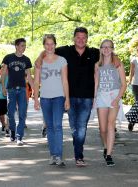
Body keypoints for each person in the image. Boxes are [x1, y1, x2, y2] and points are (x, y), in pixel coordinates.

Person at [35, 27, 120, 167]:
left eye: (83, 37)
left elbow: (107, 52)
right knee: (75, 128)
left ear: (87, 39)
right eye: (78, 37)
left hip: (87, 97)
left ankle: (79, 156)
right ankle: (76, 153)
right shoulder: (65, 51)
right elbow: (49, 49)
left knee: (81, 128)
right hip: (71, 97)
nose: (81, 40)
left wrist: (115, 56)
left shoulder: (93, 52)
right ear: (74, 38)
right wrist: (39, 56)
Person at [33, 34, 70, 167]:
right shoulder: (39, 62)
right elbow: (36, 82)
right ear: (44, 45)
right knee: (49, 127)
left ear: (55, 44)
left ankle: (59, 156)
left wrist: (67, 99)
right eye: (47, 44)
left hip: (59, 97)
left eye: (52, 44)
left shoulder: (62, 60)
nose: (49, 46)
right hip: (45, 98)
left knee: (57, 126)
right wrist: (36, 99)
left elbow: (65, 81)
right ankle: (53, 155)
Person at [94, 39, 126, 166]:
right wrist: (94, 98)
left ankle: (109, 155)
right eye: (104, 47)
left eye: (109, 47)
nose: (106, 49)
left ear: (112, 49)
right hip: (101, 96)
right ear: (101, 49)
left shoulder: (117, 64)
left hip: (114, 95)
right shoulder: (97, 65)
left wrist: (117, 98)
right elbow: (96, 83)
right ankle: (106, 146)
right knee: (102, 129)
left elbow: (124, 84)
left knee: (110, 124)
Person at [1, 38, 34, 146]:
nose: (23, 48)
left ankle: (19, 137)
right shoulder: (8, 58)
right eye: (21, 45)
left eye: (25, 46)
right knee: (10, 113)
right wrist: (3, 87)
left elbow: (29, 76)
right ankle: (12, 131)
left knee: (22, 113)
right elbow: (4, 73)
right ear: (16, 46)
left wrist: (34, 90)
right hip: (11, 89)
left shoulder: (27, 60)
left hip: (22, 89)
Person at [0, 65, 10, 137]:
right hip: (2, 97)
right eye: (2, 67)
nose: (4, 69)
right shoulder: (1, 75)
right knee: (2, 114)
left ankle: (7, 128)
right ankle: (3, 125)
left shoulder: (11, 75)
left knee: (8, 113)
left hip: (9, 97)